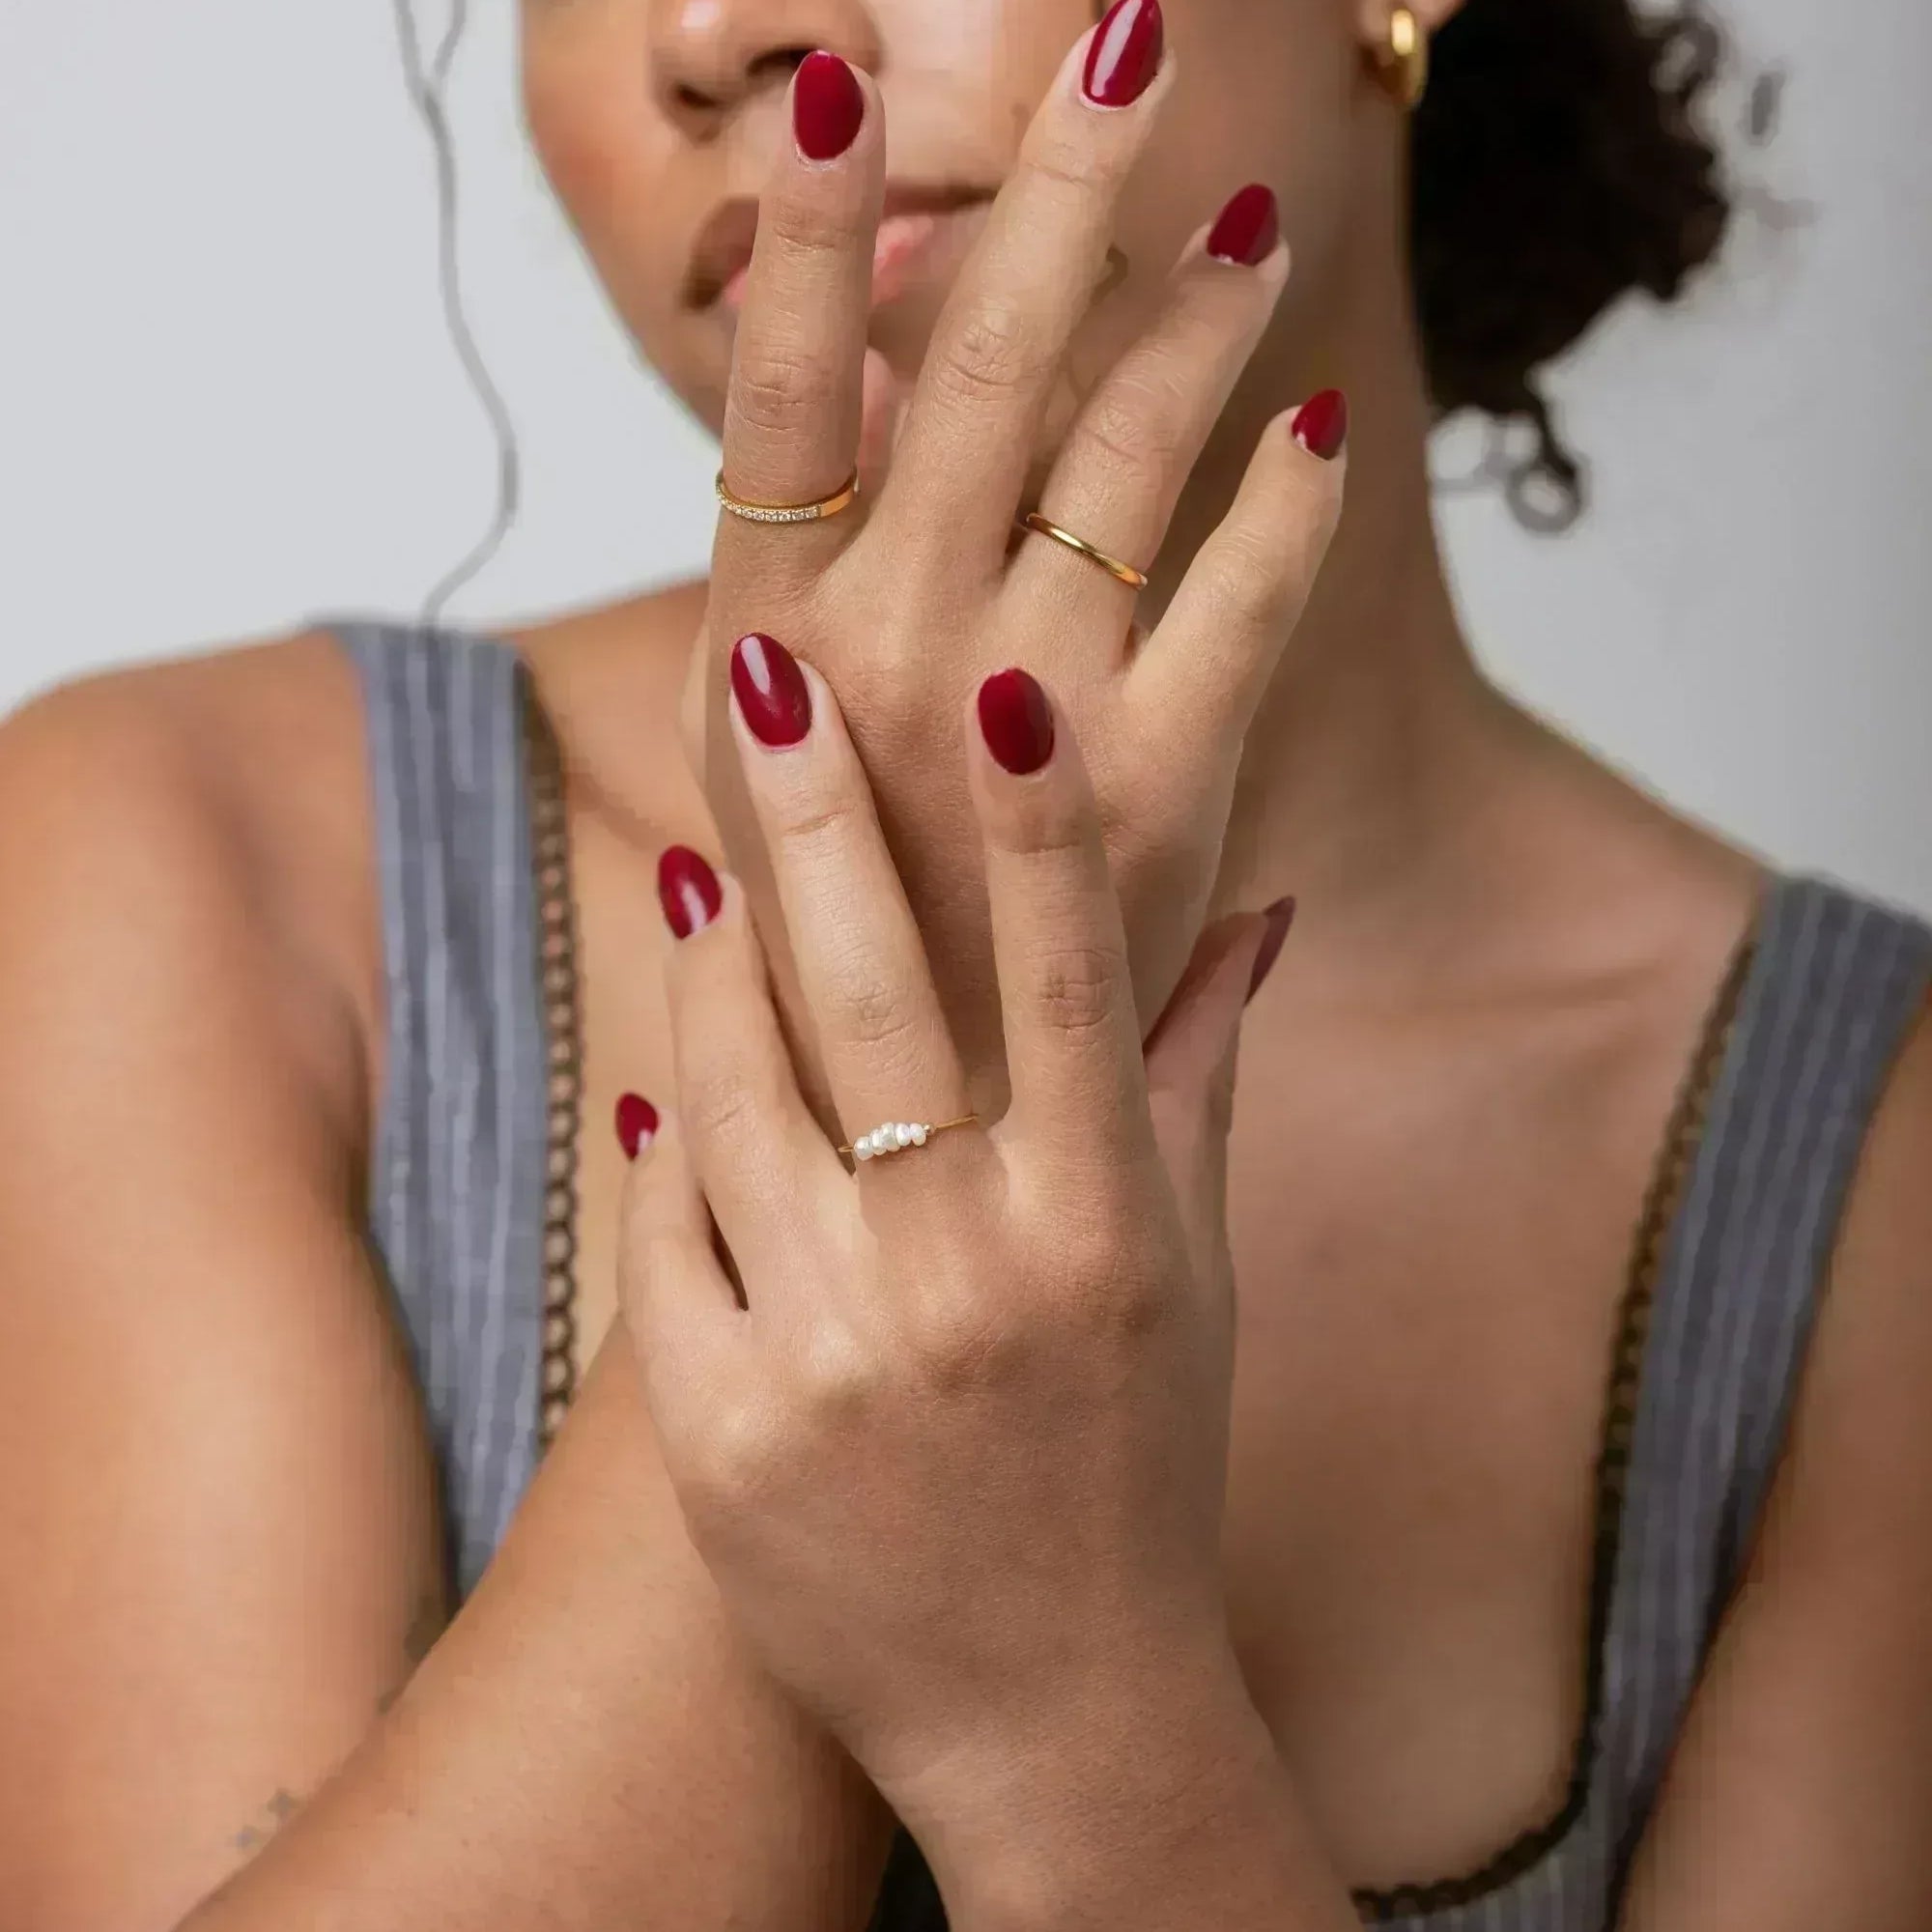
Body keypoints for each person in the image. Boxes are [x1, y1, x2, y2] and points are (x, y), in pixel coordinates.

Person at [3, 0, 1929, 1927]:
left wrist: (1069, 1705)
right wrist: (882, 1056)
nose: (703, 32)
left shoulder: (1870, 1180)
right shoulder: (191, 866)